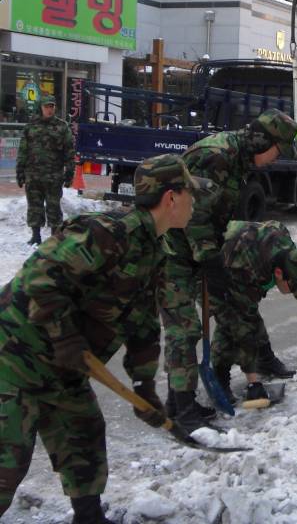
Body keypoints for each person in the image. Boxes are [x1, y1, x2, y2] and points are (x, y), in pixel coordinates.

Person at [0, 154, 209, 524]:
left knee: (83, 431)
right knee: (7, 459)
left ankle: (89, 517)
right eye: (190, 194)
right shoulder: (107, 232)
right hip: (14, 357)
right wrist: (65, 338)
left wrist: (144, 385)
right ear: (171, 198)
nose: (195, 202)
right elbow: (39, 279)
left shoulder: (153, 249)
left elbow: (143, 324)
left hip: (63, 366)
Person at [161, 109, 297, 429]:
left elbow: (217, 214)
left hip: (193, 250)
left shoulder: (237, 159)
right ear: (263, 141)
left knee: (206, 319)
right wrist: (209, 257)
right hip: (173, 250)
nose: (277, 159)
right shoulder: (217, 157)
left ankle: (182, 399)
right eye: (278, 151)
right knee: (184, 328)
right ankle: (181, 410)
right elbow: (192, 212)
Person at [214, 220, 297, 402]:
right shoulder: (248, 266)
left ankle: (265, 360)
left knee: (249, 311)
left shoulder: (288, 250)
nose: (293, 293)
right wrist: (253, 383)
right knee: (231, 322)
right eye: (294, 287)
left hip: (242, 253)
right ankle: (219, 378)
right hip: (211, 262)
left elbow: (276, 225)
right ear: (279, 273)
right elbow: (241, 324)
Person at [16, 94, 75, 245]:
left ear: (55, 108)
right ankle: (36, 236)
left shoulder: (62, 127)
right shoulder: (30, 127)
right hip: (33, 175)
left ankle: (55, 237)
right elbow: (23, 151)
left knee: (53, 206)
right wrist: (20, 171)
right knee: (34, 206)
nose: (49, 109)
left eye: (52, 106)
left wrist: (69, 173)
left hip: (53, 176)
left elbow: (69, 152)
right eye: (46, 106)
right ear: (41, 107)